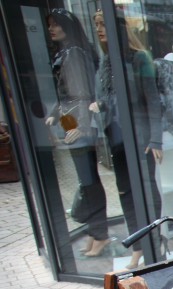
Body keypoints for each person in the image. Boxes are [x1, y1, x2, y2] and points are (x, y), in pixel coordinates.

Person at [90, 12, 163, 268]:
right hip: (116, 138)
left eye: (104, 24)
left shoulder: (139, 58)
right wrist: (99, 106)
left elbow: (153, 100)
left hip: (140, 139)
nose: (100, 29)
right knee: (125, 191)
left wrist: (156, 140)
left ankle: (155, 243)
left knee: (147, 190)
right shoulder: (105, 62)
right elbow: (105, 98)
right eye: (96, 25)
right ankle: (139, 247)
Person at [44, 8, 106, 256]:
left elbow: (83, 92)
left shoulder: (75, 54)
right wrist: (55, 113)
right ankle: (95, 231)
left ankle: (99, 234)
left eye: (56, 24)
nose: (51, 29)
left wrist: (81, 125)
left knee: (88, 181)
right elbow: (65, 91)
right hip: (71, 120)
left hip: (79, 123)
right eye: (49, 24)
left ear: (67, 27)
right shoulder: (68, 52)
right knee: (86, 179)